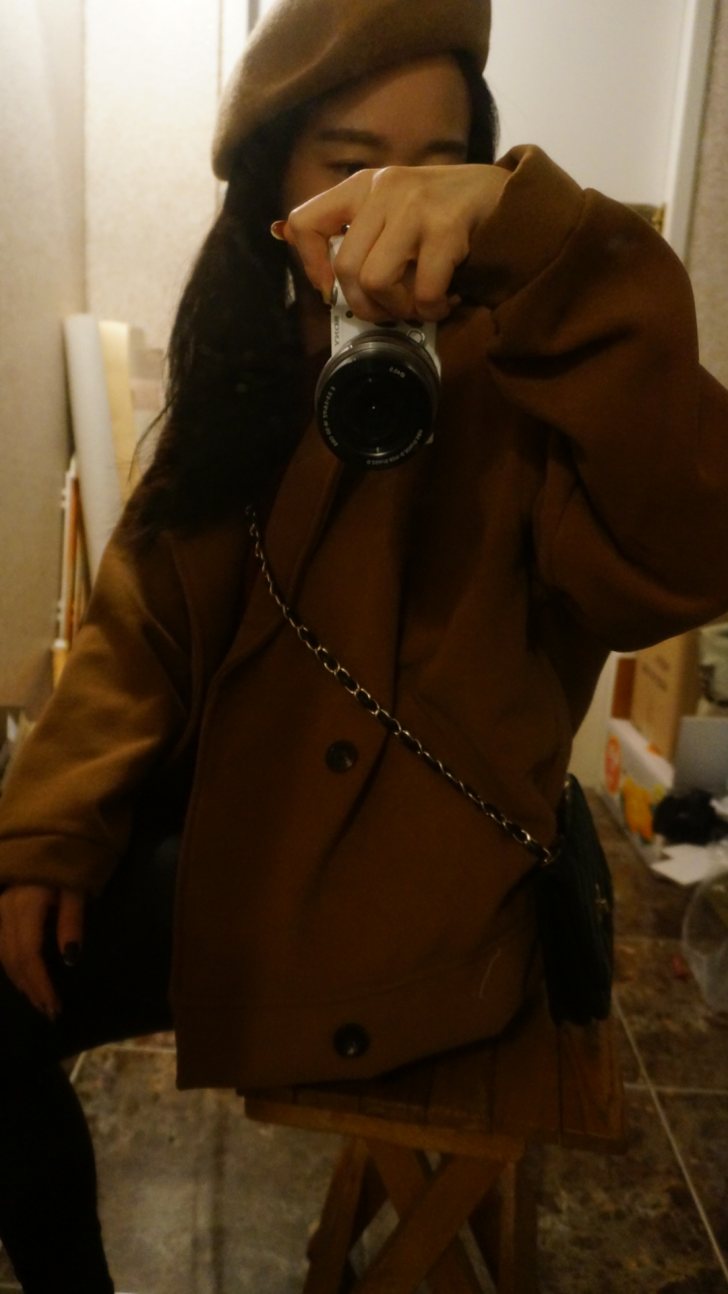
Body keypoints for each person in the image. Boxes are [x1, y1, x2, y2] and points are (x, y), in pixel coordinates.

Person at [1, 0, 728, 1288]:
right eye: (350, 168)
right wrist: (52, 826)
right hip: (258, 832)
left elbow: (690, 552)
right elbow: (140, 620)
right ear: (274, 193)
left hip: (416, 892)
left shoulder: (528, 373)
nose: (391, 213)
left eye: (435, 169)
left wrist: (561, 252)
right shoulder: (247, 352)